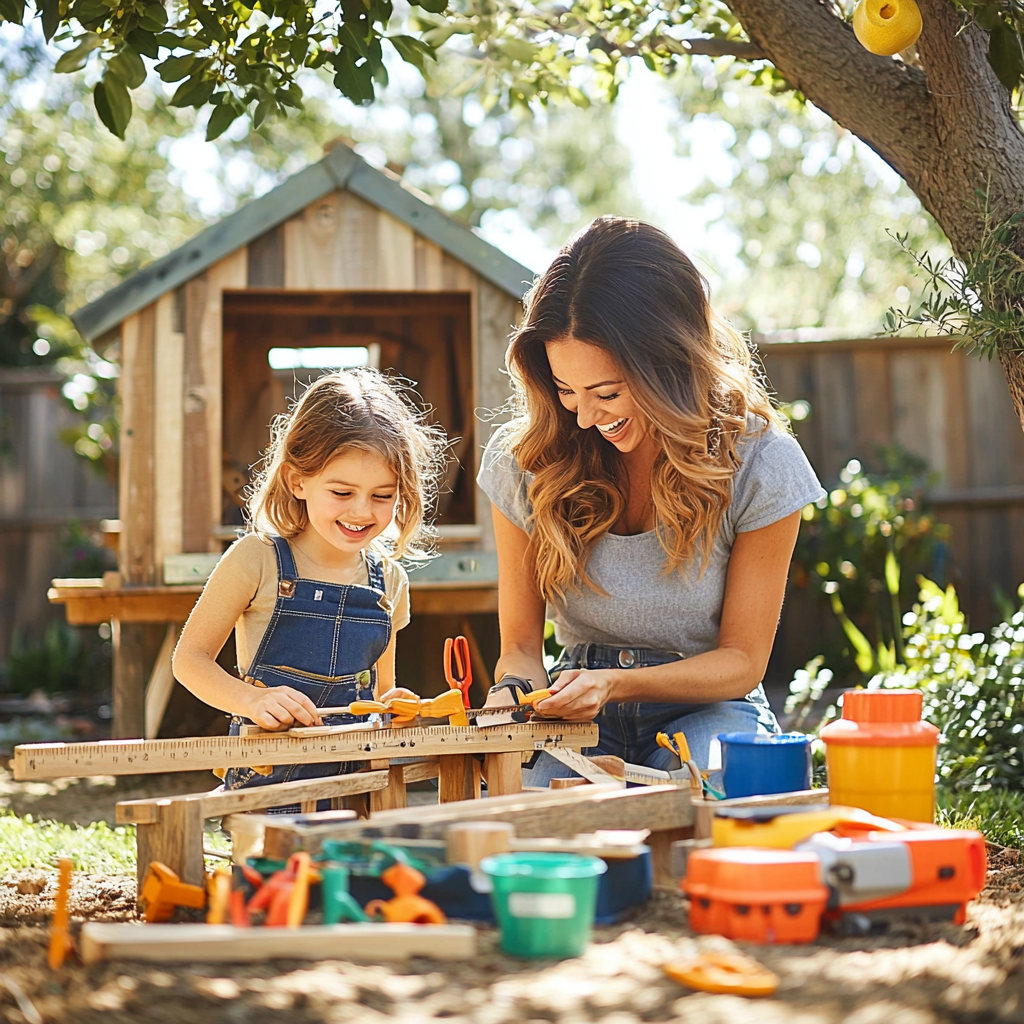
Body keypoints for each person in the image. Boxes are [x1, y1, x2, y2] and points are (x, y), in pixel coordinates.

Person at [477, 217, 825, 785]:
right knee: (531, 828)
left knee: (712, 799)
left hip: (710, 708)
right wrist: (511, 691)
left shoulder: (762, 464)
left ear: (670, 363)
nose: (584, 417)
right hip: (575, 714)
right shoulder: (527, 460)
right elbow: (519, 646)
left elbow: (741, 662)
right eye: (566, 391)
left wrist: (617, 683)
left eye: (607, 392)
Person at [173, 368, 445, 794]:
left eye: (382, 495)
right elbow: (189, 660)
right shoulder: (257, 560)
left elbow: (381, 691)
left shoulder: (389, 580)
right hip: (266, 786)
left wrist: (396, 707)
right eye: (342, 492)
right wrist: (252, 701)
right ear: (298, 480)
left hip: (359, 788)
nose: (362, 512)